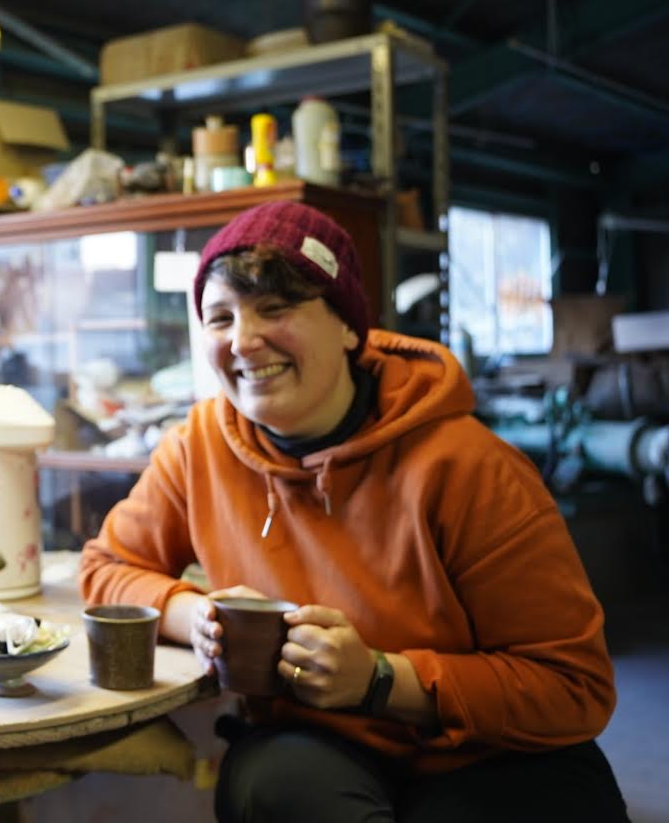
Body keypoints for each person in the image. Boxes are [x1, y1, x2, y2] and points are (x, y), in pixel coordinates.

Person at [80, 201, 627, 822]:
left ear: (347, 327)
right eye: (221, 317)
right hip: (324, 739)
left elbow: (574, 686)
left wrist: (379, 679)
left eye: (275, 309)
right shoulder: (199, 447)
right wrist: (195, 615)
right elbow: (106, 569)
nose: (243, 341)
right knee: (266, 784)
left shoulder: (468, 466)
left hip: (486, 752)